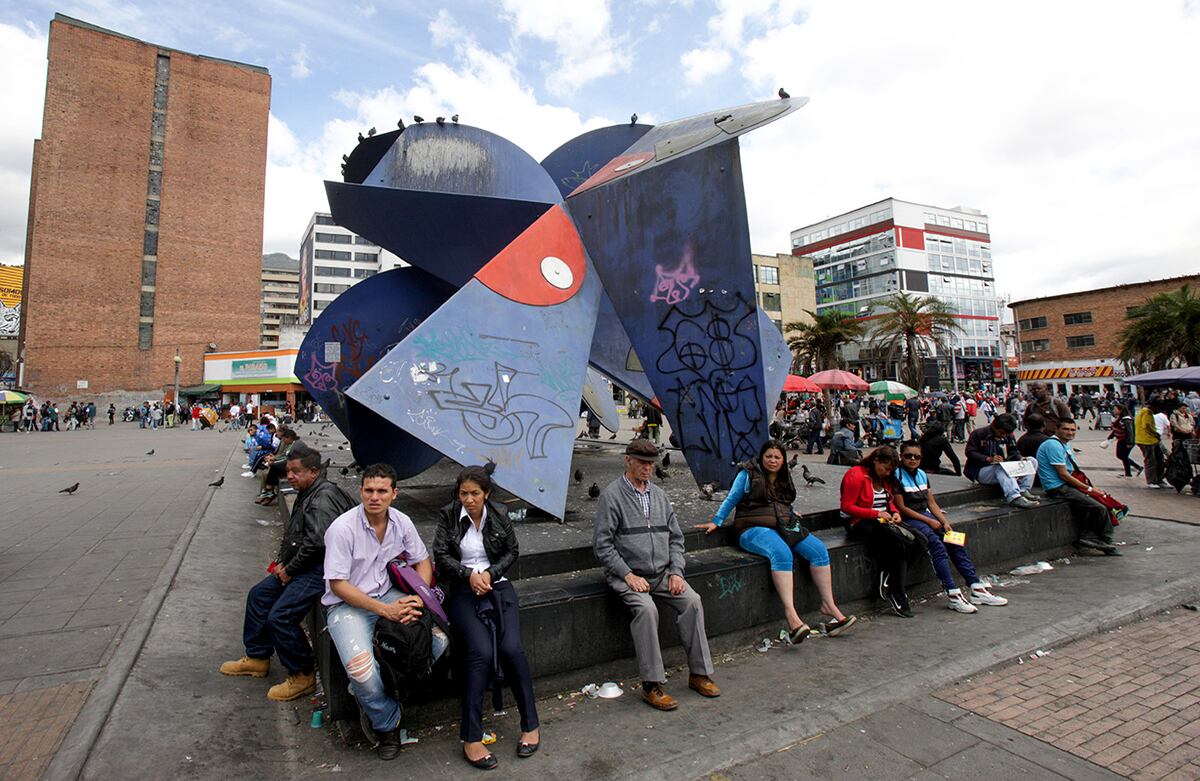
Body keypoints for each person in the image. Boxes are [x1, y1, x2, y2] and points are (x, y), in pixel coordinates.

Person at [322, 463, 445, 761]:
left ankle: (379, 689)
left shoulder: (402, 522)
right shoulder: (341, 528)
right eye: (369, 490)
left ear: (394, 494)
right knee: (362, 673)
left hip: (390, 595)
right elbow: (338, 584)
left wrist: (419, 596)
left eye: (381, 491)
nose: (374, 497)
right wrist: (385, 610)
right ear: (361, 491)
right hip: (348, 605)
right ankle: (386, 721)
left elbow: (422, 561)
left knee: (439, 641)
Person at [220, 447, 355, 701]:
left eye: (296, 471)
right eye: (289, 471)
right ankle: (258, 657)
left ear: (314, 472)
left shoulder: (323, 498)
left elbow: (318, 544)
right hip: (301, 565)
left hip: (320, 570)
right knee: (259, 595)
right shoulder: (309, 491)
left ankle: (302, 675)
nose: (289, 476)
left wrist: (290, 570)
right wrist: (283, 563)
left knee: (280, 617)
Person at [594, 439, 719, 711]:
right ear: (628, 461)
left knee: (692, 601)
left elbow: (676, 538)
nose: (647, 469)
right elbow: (602, 545)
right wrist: (626, 574)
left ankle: (699, 673)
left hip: (662, 572)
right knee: (647, 611)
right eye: (642, 463)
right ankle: (651, 684)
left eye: (651, 463)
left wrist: (676, 572)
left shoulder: (660, 495)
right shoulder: (612, 496)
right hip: (629, 575)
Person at [434, 463, 540, 770]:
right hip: (463, 590)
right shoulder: (448, 515)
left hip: (498, 587)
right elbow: (441, 554)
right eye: (463, 493)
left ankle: (530, 724)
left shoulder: (500, 515)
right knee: (478, 652)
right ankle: (471, 736)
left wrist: (490, 574)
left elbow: (512, 551)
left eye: (475, 493)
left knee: (512, 649)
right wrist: (468, 575)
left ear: (487, 493)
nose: (468, 499)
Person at [695, 440, 856, 642]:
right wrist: (716, 522)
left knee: (819, 550)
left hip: (783, 525)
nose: (772, 460)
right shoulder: (747, 473)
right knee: (781, 553)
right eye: (768, 456)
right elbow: (731, 499)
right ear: (762, 457)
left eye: (777, 457)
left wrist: (789, 512)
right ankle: (791, 616)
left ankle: (829, 605)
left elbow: (784, 500)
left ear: (783, 460)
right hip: (752, 528)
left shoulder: (783, 476)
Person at [893, 442, 1009, 614]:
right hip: (911, 519)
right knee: (936, 546)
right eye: (908, 456)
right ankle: (953, 593)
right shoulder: (897, 476)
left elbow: (931, 502)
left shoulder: (922, 475)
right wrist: (929, 521)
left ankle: (975, 586)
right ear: (901, 457)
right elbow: (901, 507)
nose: (912, 460)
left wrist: (943, 521)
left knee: (954, 541)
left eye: (916, 457)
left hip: (927, 516)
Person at [839, 446, 925, 617]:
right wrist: (876, 513)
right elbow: (847, 506)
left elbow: (889, 499)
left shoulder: (886, 478)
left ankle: (888, 576)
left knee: (921, 541)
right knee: (897, 544)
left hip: (882, 518)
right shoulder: (856, 475)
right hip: (858, 521)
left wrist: (895, 513)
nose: (887, 473)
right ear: (876, 461)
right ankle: (897, 593)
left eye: (890, 470)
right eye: (885, 469)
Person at [1035, 419, 1119, 555]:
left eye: (1073, 430)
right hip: (1058, 487)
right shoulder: (1053, 445)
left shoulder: (1065, 445)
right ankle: (1095, 539)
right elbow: (1063, 474)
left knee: (1103, 501)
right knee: (1099, 508)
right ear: (1057, 429)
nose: (1070, 432)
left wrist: (1089, 488)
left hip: (1066, 485)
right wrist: (1089, 489)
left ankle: (1102, 540)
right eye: (1066, 429)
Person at [965, 414, 1040, 509]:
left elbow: (1013, 451)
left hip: (1006, 467)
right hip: (982, 470)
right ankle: (1014, 497)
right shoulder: (978, 434)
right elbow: (970, 452)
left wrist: (1020, 458)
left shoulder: (1009, 436)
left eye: (1006, 434)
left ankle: (1023, 489)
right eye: (1001, 433)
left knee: (1031, 461)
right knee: (1000, 468)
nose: (1003, 436)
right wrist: (988, 459)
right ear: (994, 426)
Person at [255, 428, 304, 505]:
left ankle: (269, 492)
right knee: (267, 471)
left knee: (270, 470)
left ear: (289, 438)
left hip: (294, 468)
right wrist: (273, 458)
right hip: (290, 464)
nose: (283, 441)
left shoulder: (295, 445)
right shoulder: (292, 444)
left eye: (284, 439)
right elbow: (284, 455)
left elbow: (287, 459)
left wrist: (273, 461)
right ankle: (267, 493)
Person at [1135, 398, 1167, 488]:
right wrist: (1156, 434)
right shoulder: (1147, 412)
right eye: (1159, 408)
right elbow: (1147, 426)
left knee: (1159, 460)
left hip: (1150, 440)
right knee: (1151, 461)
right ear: (1154, 406)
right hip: (1146, 441)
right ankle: (1152, 481)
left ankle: (1159, 479)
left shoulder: (1143, 411)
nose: (1159, 411)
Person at [1106, 405, 1143, 478]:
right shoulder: (1120, 419)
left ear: (1120, 410)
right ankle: (1133, 470)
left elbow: (1130, 431)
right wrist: (1110, 437)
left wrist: (1130, 442)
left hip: (1126, 440)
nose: (1114, 410)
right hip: (1121, 440)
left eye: (1115, 409)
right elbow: (1116, 429)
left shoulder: (1126, 419)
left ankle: (1132, 471)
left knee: (1123, 456)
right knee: (1121, 455)